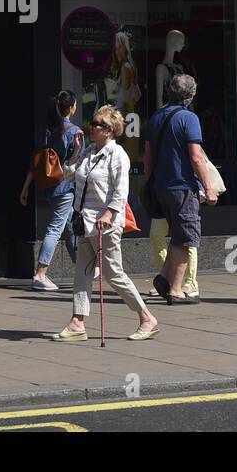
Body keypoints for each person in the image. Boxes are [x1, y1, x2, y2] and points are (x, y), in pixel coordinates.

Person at [52, 106, 159, 342]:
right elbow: (68, 175)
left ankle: (146, 317)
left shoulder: (117, 154)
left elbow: (121, 192)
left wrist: (109, 214)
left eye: (97, 123)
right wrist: (76, 152)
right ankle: (77, 322)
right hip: (84, 222)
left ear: (109, 130)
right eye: (92, 122)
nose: (92, 126)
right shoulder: (89, 151)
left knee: (113, 273)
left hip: (105, 226)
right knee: (82, 273)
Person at [144, 74, 218, 305]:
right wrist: (209, 188)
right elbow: (196, 157)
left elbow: (147, 155)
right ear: (191, 94)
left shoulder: (157, 116)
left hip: (160, 186)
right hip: (182, 186)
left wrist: (151, 182)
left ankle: (165, 278)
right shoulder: (189, 118)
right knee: (186, 238)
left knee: (177, 235)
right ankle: (176, 290)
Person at [19, 90, 83, 291]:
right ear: (71, 108)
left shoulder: (48, 129)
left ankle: (84, 267)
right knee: (56, 228)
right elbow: (74, 165)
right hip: (65, 187)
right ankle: (40, 274)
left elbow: (36, 161)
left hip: (49, 186)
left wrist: (26, 187)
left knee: (70, 224)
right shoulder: (74, 132)